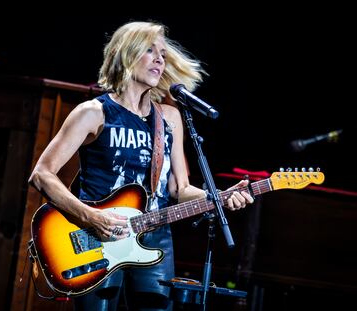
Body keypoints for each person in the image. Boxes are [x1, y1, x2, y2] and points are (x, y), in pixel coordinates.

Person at [28, 20, 254, 311]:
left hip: (155, 236)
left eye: (163, 53)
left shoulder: (169, 119)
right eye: (150, 50)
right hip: (99, 235)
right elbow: (42, 174)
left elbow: (179, 188)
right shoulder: (94, 113)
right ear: (126, 55)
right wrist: (89, 217)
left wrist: (220, 197)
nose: (160, 59)